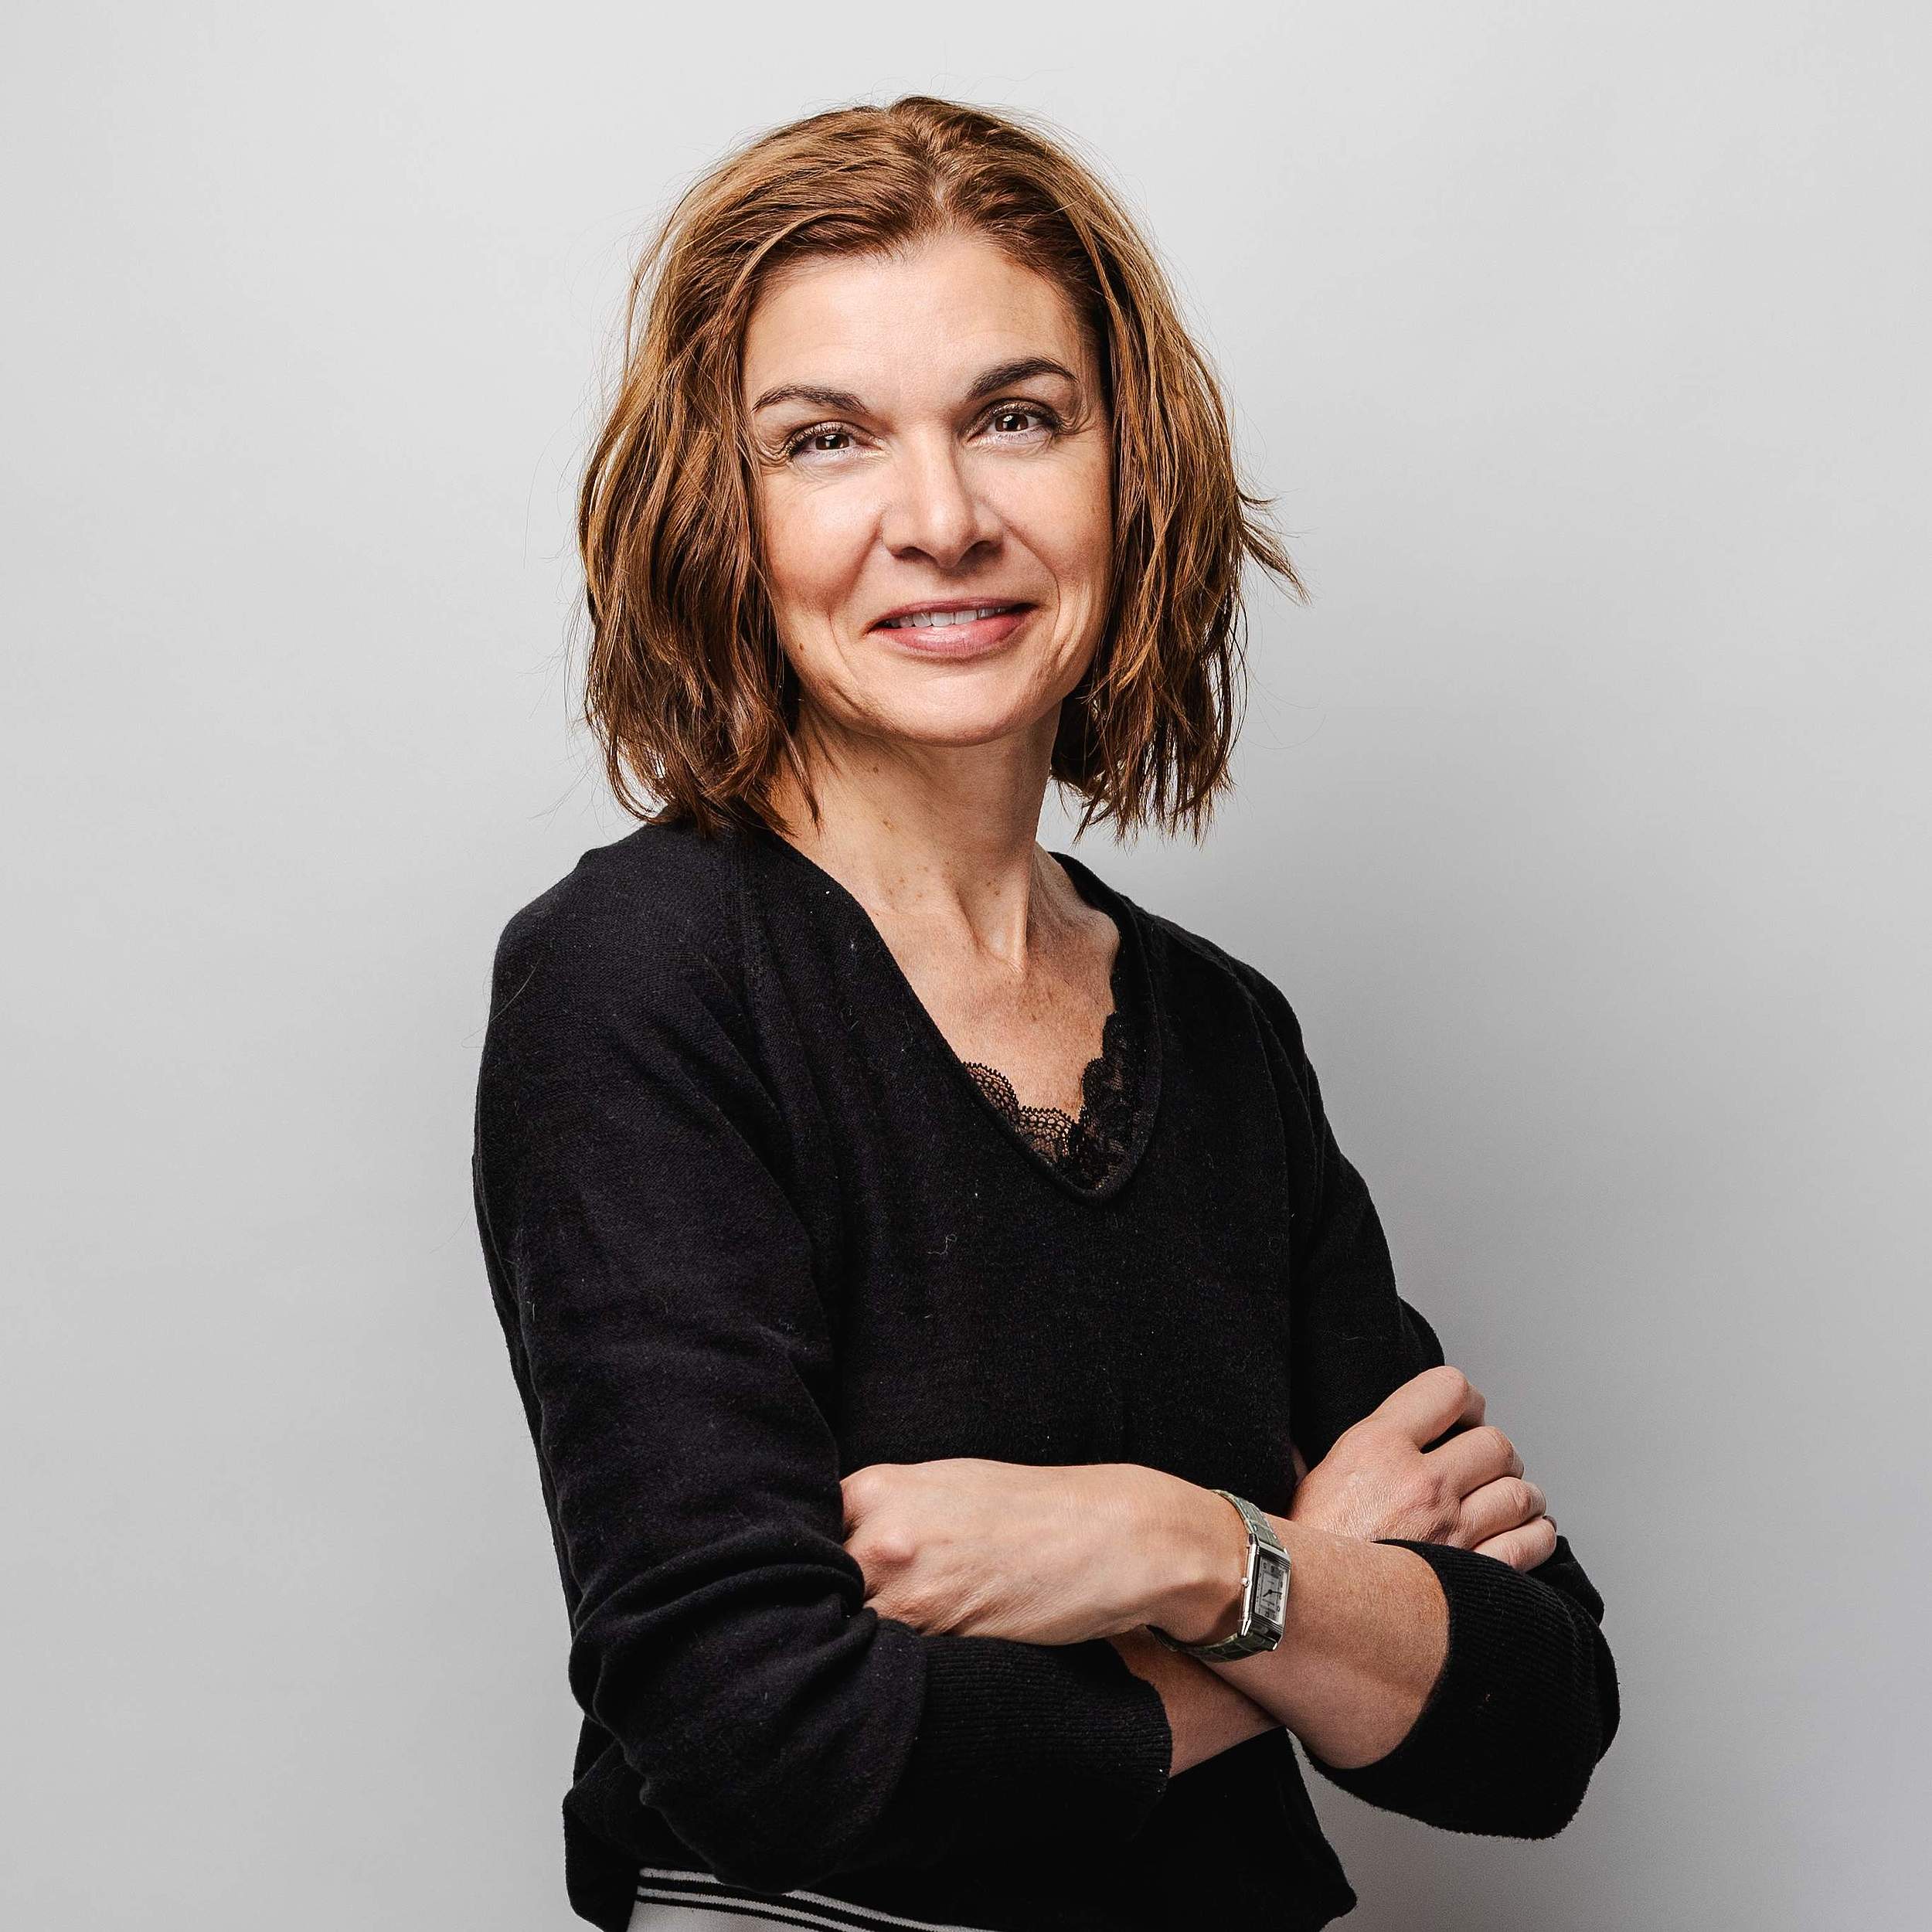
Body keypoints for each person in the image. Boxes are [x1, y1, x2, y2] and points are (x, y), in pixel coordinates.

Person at [471, 94, 1620, 1932]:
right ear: (721, 514)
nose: (941, 521)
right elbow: (755, 1731)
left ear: (1123, 468)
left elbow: (1534, 1711)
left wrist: (1169, 1544)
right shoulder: (646, 976)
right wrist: (1295, 1591)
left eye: (1015, 417)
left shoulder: (1222, 1034)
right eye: (826, 439)